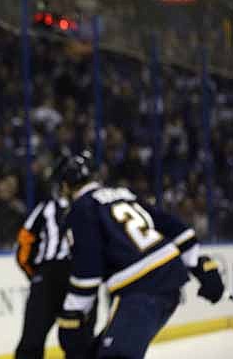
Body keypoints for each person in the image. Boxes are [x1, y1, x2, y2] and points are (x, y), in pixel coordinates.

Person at [53, 151, 225, 359]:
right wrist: (198, 265)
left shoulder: (81, 209)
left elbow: (88, 272)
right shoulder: (123, 194)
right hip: (165, 278)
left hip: (141, 288)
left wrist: (73, 312)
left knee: (115, 357)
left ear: (67, 185)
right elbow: (175, 228)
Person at [14, 191, 96, 359]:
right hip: (81, 276)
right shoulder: (94, 206)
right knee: (80, 343)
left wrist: (37, 274)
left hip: (51, 276)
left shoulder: (47, 207)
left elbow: (25, 242)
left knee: (32, 342)